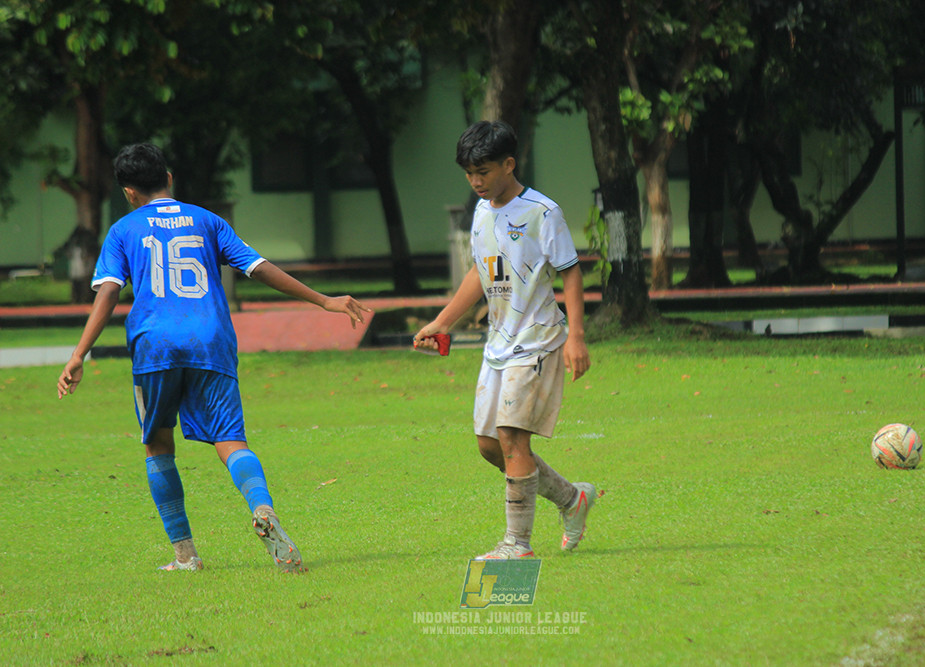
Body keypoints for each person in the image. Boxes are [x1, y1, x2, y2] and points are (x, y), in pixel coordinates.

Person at [57, 143, 370, 573]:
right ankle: (263, 509)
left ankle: (185, 556)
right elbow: (258, 267)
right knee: (230, 440)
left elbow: (108, 292)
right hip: (211, 341)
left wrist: (78, 355)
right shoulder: (208, 221)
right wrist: (322, 300)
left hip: (155, 347)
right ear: (169, 179)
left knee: (158, 443)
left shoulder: (123, 230)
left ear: (128, 192)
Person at [415, 120, 596, 559]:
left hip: (537, 341)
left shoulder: (542, 212)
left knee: (513, 438)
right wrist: (443, 322)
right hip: (497, 344)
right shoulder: (481, 212)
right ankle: (573, 499)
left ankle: (517, 544)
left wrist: (577, 336)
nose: (475, 181)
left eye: (484, 171)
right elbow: (480, 271)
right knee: (490, 446)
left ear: (509, 164)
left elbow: (570, 271)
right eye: (469, 174)